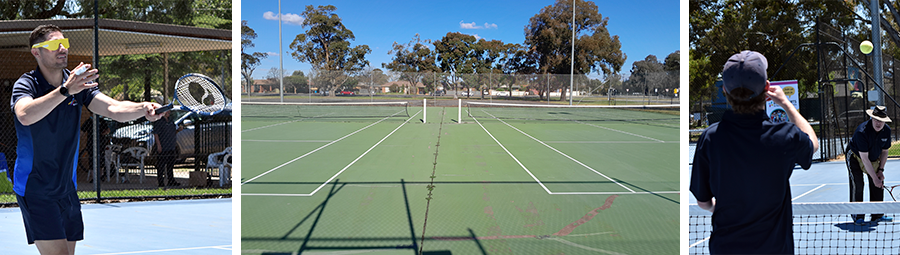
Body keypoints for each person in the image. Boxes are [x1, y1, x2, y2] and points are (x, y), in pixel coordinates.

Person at [11, 24, 162, 255]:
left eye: (65, 43)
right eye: (53, 45)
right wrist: (65, 91)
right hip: (36, 186)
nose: (62, 48)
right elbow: (24, 115)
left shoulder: (77, 85)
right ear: (36, 52)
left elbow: (113, 107)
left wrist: (143, 108)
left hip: (66, 188)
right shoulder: (27, 84)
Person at [690, 50, 819, 254]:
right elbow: (813, 142)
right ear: (767, 88)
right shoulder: (785, 135)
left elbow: (703, 202)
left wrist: (720, 207)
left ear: (724, 90)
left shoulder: (710, 138)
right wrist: (786, 105)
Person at [845, 105, 893, 224]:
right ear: (871, 118)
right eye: (876, 119)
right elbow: (864, 159)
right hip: (855, 156)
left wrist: (881, 170)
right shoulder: (862, 132)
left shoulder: (887, 131)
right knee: (858, 184)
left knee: (878, 183)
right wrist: (874, 178)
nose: (878, 123)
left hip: (872, 156)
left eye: (881, 120)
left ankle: (877, 215)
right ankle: (858, 215)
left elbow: (885, 151)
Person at [152, 108, 180, 187]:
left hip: (171, 145)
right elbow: (156, 134)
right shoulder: (159, 121)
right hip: (163, 146)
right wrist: (159, 145)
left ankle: (171, 180)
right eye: (167, 111)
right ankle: (161, 182)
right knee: (161, 165)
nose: (168, 112)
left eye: (169, 111)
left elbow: (174, 131)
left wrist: (178, 130)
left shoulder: (171, 120)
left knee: (170, 165)